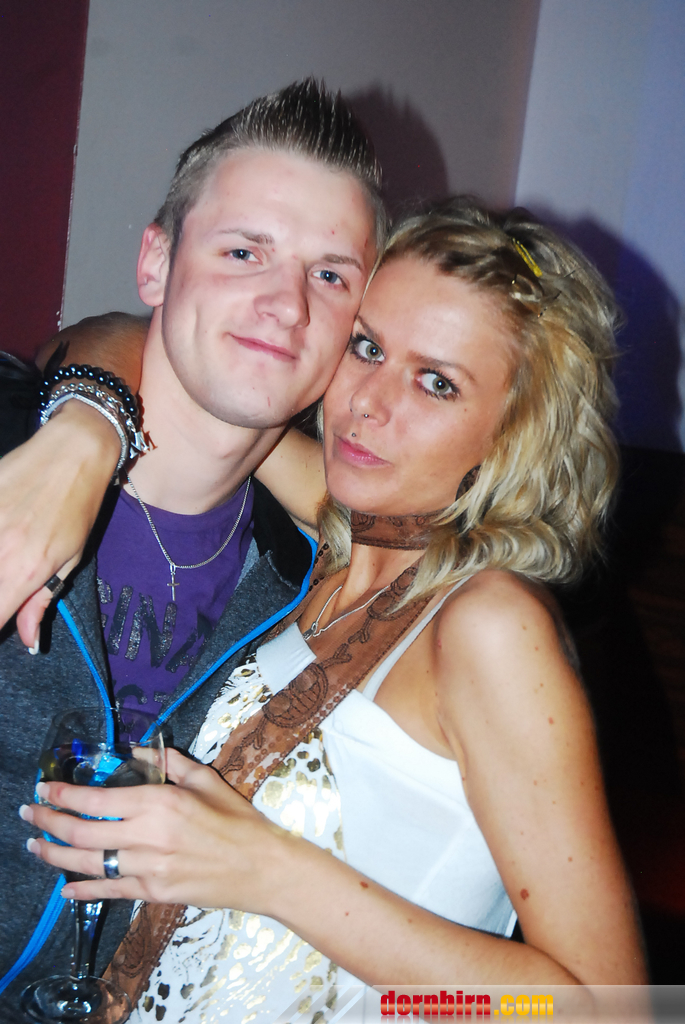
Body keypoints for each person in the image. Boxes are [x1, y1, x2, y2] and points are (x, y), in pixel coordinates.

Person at [22, 199, 647, 1022]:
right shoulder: (338, 548)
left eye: (436, 382)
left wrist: (270, 872)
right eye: (367, 347)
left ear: (511, 434)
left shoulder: (489, 625)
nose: (367, 404)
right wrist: (84, 433)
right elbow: (124, 343)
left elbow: (611, 1009)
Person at [0, 78, 381, 1011]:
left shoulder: (317, 583)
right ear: (156, 263)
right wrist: (81, 417)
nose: (286, 304)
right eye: (244, 251)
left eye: (331, 275)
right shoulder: (15, 459)